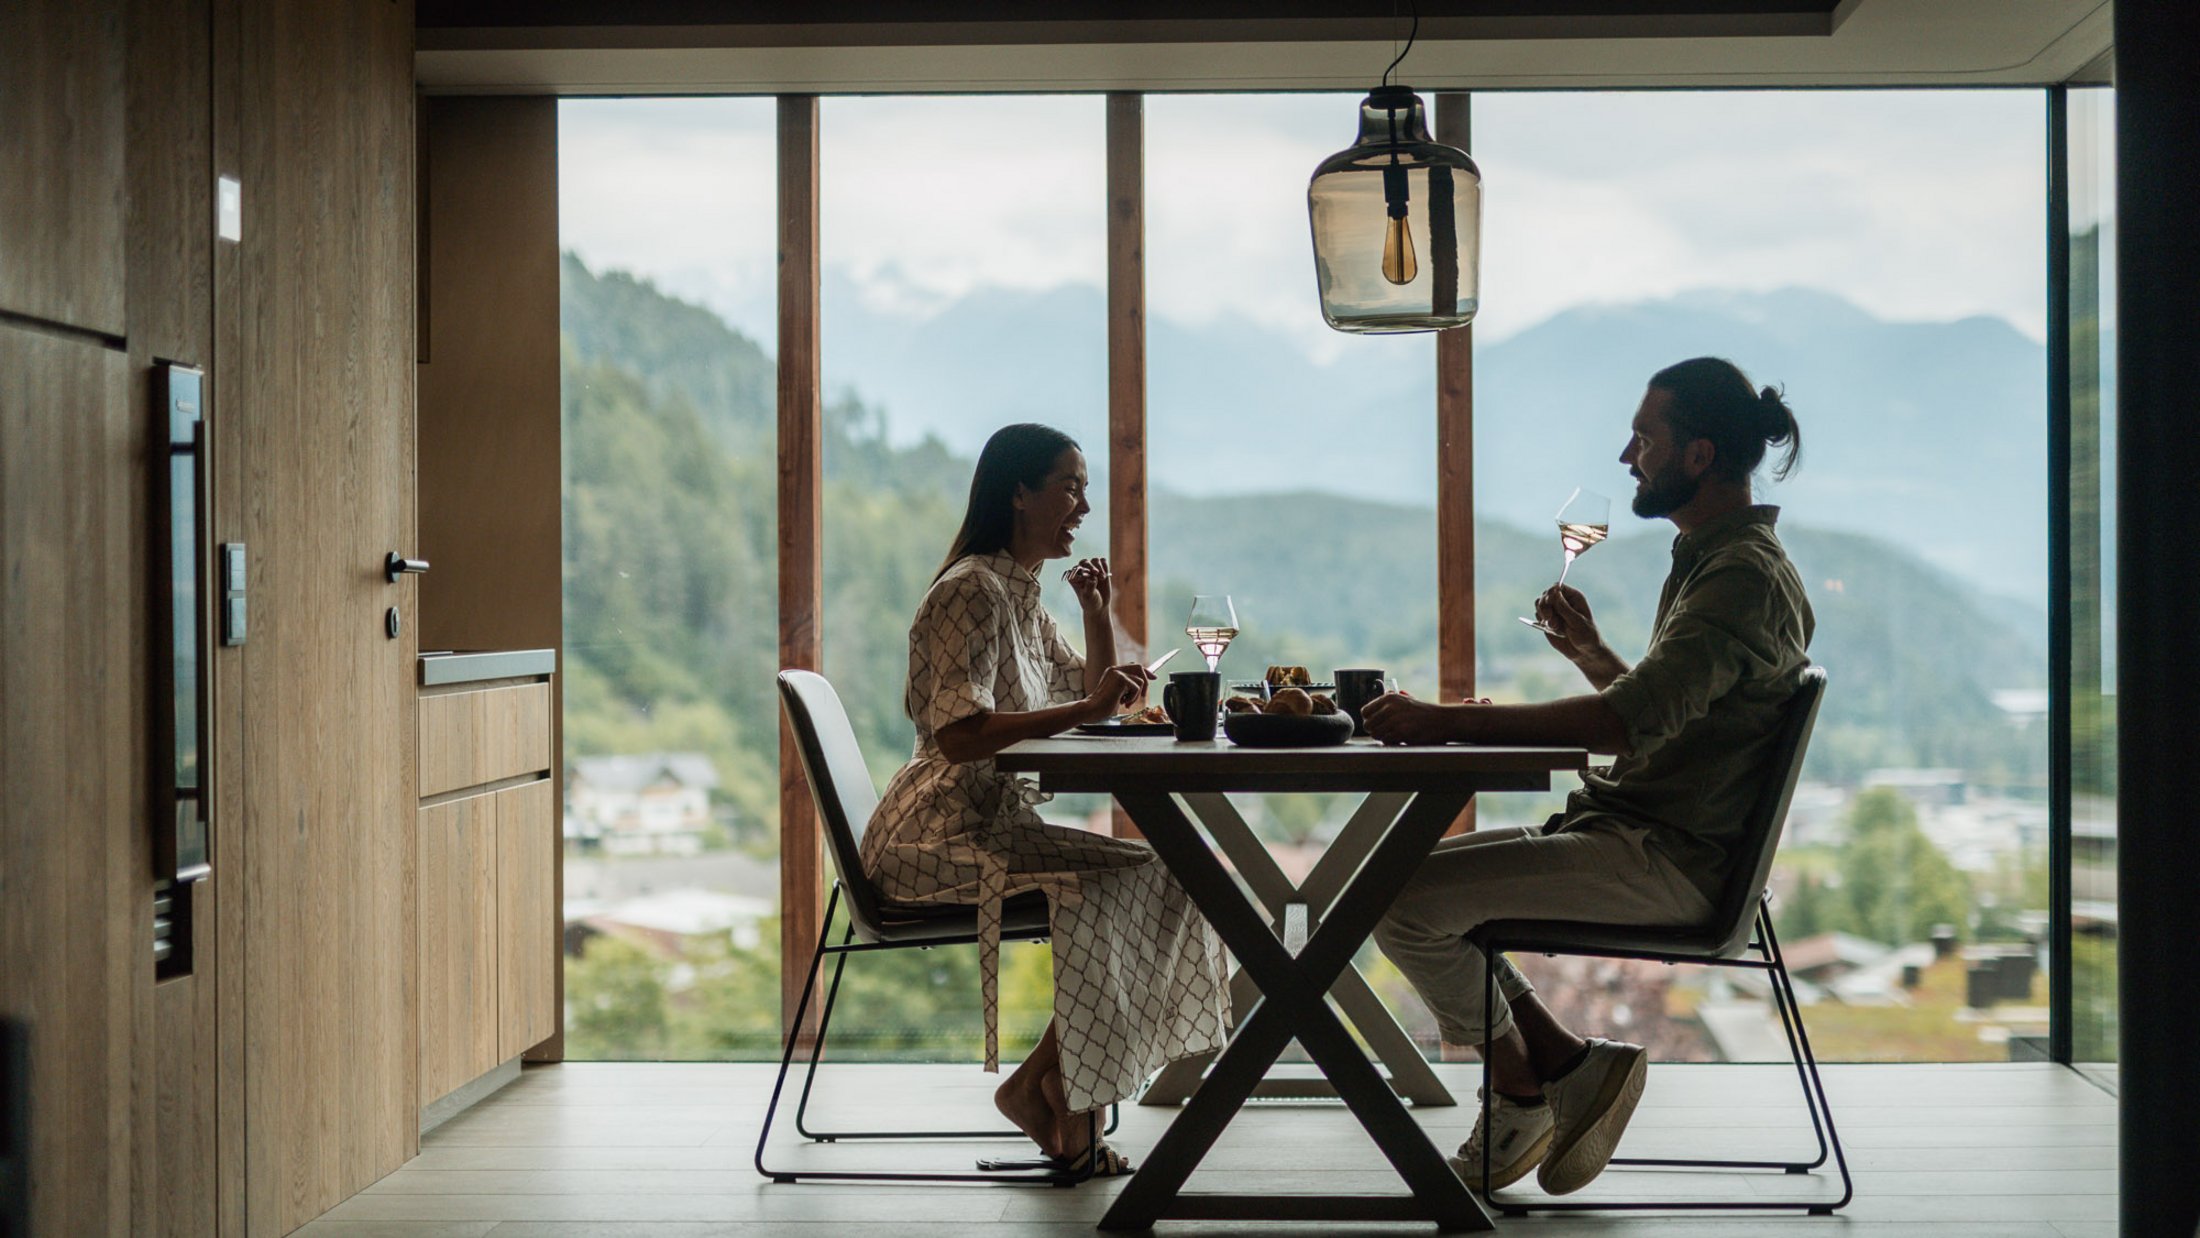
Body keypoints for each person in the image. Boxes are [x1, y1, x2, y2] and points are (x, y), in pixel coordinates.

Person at [1362, 356, 1814, 1197]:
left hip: (1670, 862)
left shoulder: (1740, 576)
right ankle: (1565, 1063)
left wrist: (1441, 719)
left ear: (1700, 455)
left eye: (1644, 438)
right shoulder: (1715, 561)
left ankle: (1522, 1089)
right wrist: (1593, 654)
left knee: (1399, 901)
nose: (1625, 456)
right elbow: (1667, 715)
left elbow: (1621, 725)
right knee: (1410, 891)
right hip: (1644, 836)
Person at [862, 422, 1231, 1176]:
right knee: (1129, 883)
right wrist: (1086, 711)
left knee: (1170, 872)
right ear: (1019, 492)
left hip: (993, 828)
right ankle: (1061, 1100)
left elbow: (1082, 689)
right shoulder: (971, 590)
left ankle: (1042, 1088)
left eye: (1083, 487)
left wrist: (1097, 615)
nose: (1083, 505)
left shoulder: (1019, 594)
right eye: (1070, 486)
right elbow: (962, 735)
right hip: (932, 838)